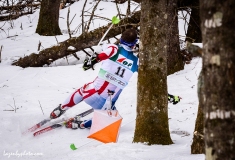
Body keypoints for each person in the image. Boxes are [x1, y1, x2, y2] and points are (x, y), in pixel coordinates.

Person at [50, 28, 181, 129]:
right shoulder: (136, 62)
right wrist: (167, 96)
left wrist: (93, 60)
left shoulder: (113, 48)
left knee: (82, 90)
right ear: (134, 44)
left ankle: (61, 108)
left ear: (121, 39)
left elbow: (108, 52)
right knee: (112, 120)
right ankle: (81, 125)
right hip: (106, 104)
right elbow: (150, 83)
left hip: (90, 94)